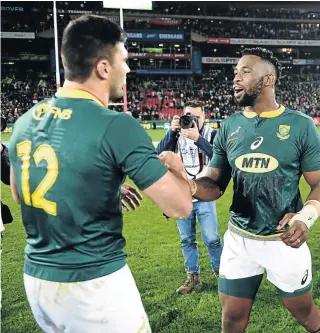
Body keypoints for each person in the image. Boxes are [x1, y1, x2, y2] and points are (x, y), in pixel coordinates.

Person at [8, 15, 192, 333]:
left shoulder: (25, 120)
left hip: (37, 280)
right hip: (92, 285)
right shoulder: (116, 124)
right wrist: (179, 170)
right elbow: (179, 207)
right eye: (124, 60)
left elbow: (19, 192)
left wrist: (94, 183)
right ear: (103, 68)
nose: (128, 70)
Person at [185, 47, 320, 333]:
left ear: (268, 80)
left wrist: (305, 217)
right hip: (239, 240)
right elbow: (214, 184)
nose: (235, 78)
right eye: (235, 73)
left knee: (305, 314)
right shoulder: (230, 126)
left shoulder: (300, 125)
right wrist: (189, 184)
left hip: (284, 239)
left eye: (245, 72)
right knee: (231, 319)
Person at [156, 100, 223, 294]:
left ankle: (221, 275)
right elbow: (158, 154)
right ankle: (192, 277)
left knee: (212, 238)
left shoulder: (212, 134)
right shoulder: (177, 135)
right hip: (182, 195)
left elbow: (221, 158)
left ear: (204, 117)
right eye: (189, 117)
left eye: (197, 117)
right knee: (186, 239)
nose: (192, 121)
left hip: (204, 194)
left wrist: (198, 139)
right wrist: (171, 131)